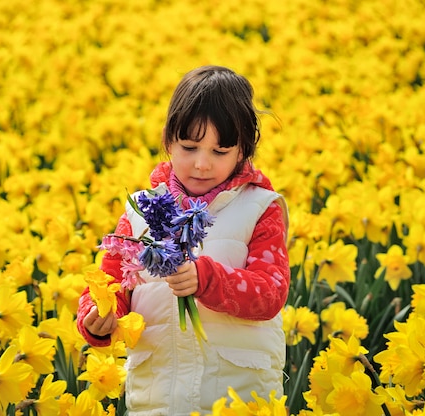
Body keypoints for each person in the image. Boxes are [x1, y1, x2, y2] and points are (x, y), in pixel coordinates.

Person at [77, 65, 290, 415]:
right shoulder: (138, 213)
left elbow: (270, 293)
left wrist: (207, 278)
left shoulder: (259, 208)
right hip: (157, 399)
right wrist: (98, 317)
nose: (202, 164)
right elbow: (110, 283)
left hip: (237, 398)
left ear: (243, 151)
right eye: (189, 147)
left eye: (220, 152)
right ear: (167, 140)